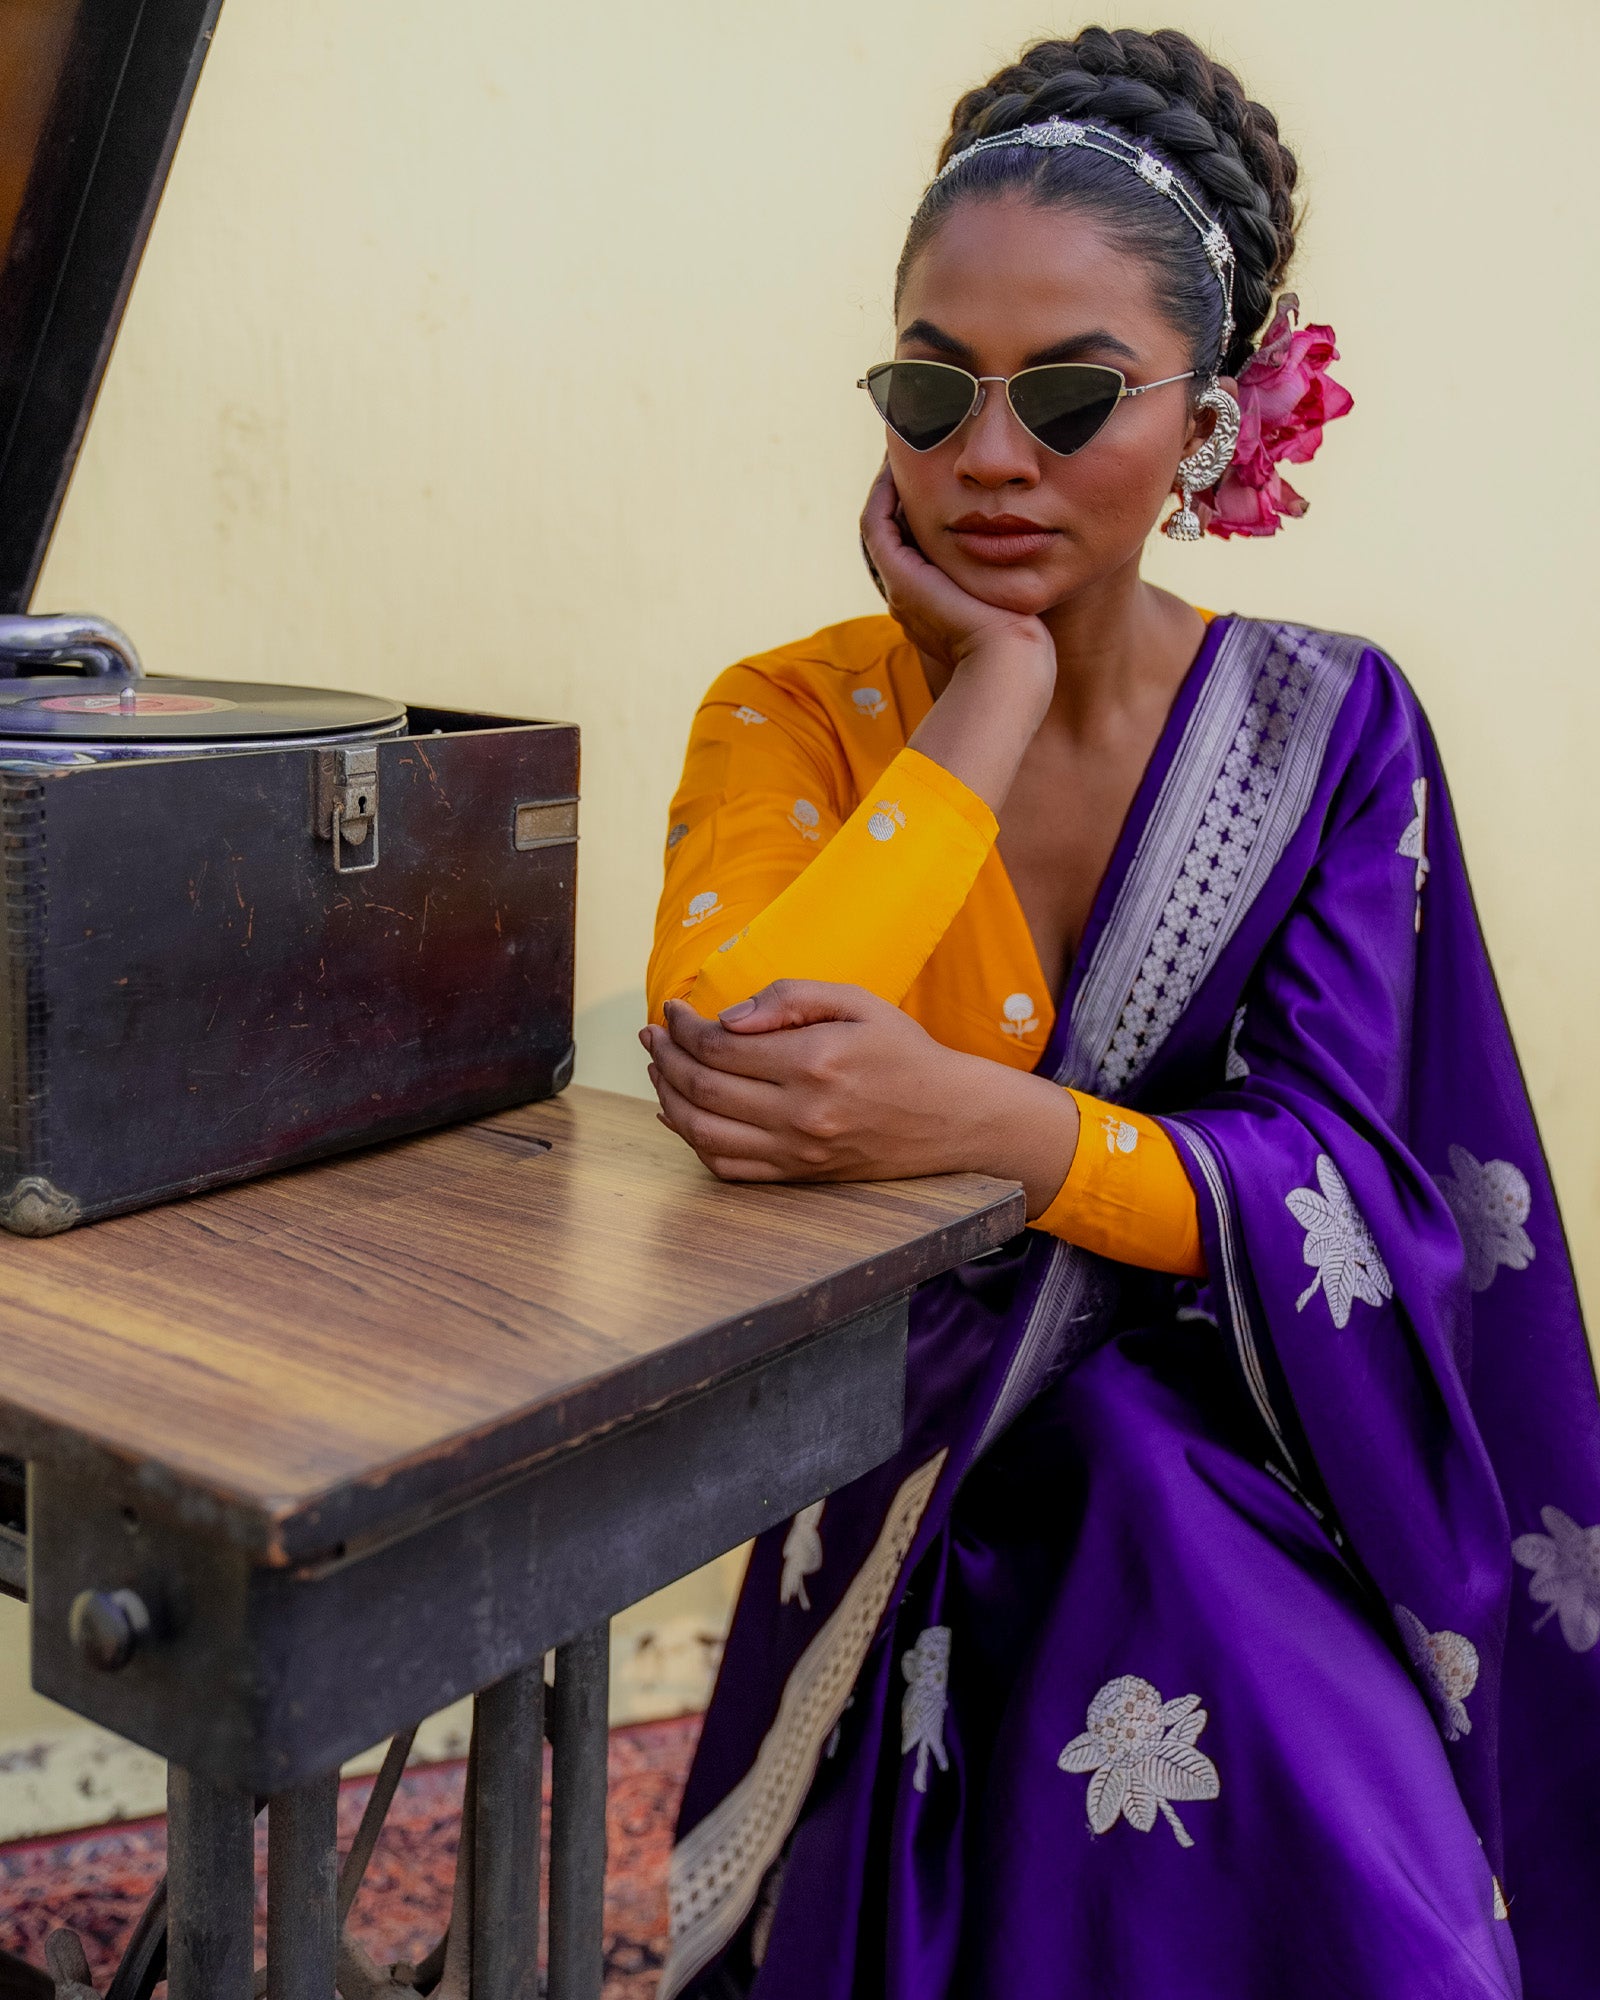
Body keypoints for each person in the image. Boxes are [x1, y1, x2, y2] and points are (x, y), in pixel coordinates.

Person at [640, 27, 1599, 1999]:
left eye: (1069, 394)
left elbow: (1343, 1177)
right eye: (930, 387)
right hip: (900, 1415)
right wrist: (978, 697)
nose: (987, 456)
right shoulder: (796, 712)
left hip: (1258, 1436)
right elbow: (738, 1052)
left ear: (1211, 423)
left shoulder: (1328, 727)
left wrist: (977, 1124)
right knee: (1088, 1520)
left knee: (1171, 1548)